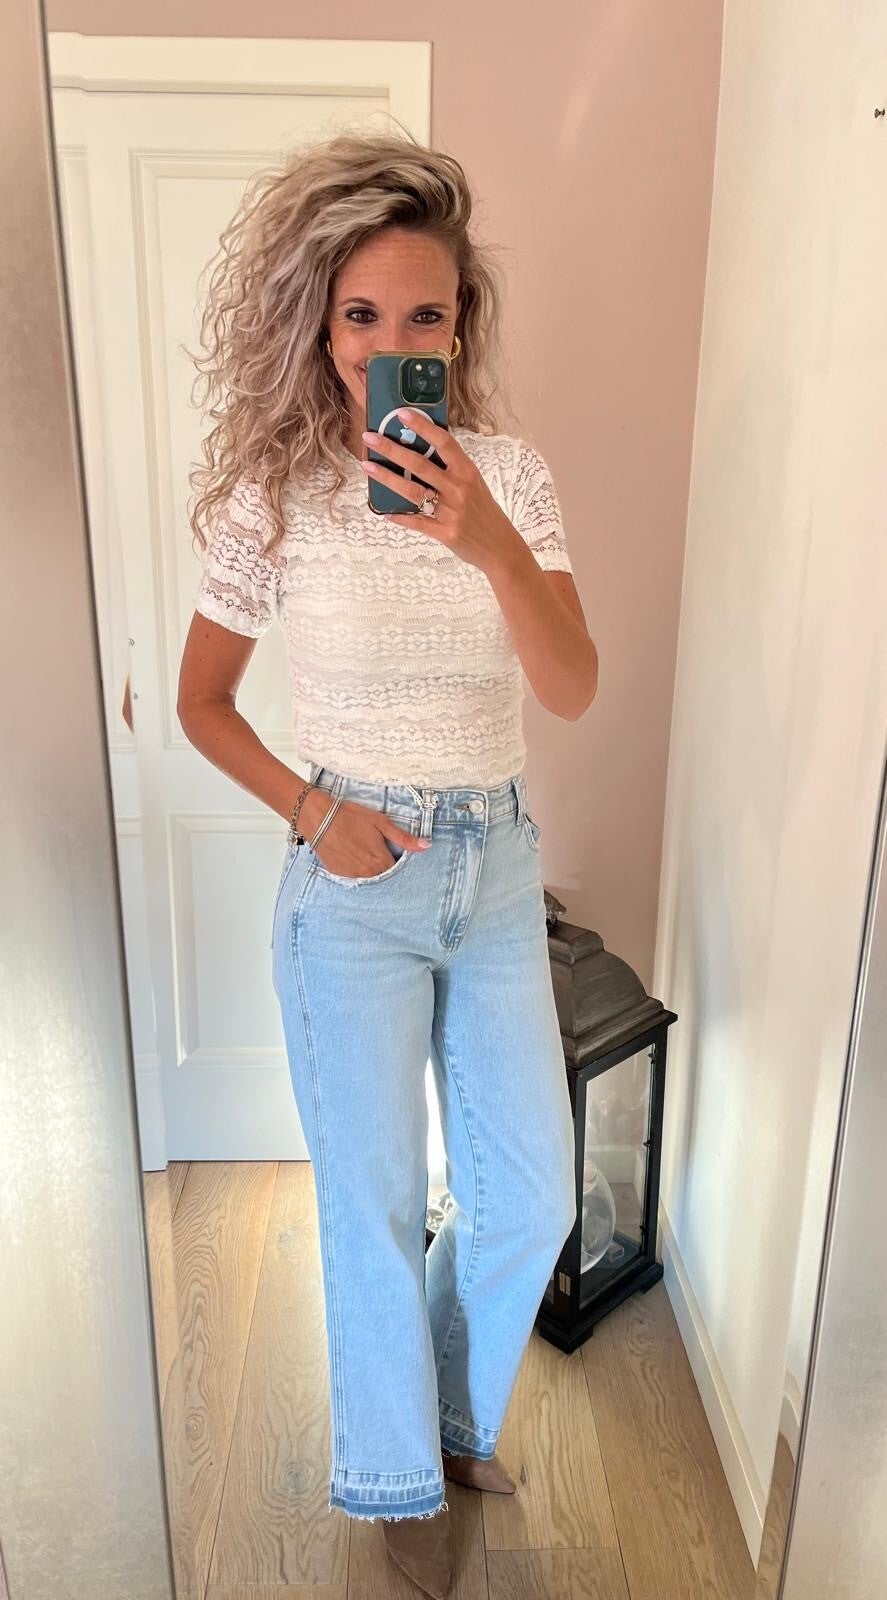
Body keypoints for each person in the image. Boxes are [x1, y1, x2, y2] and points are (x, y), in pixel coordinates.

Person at [177, 126, 598, 1600]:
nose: (390, 343)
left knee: (531, 1193)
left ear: (459, 326)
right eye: (361, 314)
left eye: (424, 314)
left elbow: (573, 689)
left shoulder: (514, 481)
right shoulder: (274, 494)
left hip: (496, 868)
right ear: (322, 324)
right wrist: (313, 811)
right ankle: (394, 1475)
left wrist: (486, 541)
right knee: (369, 1203)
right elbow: (198, 703)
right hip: (351, 878)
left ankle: (451, 1419)